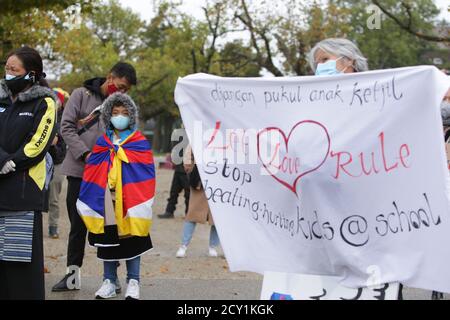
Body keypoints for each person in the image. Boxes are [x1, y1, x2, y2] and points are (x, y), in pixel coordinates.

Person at [52, 62, 137, 292]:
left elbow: (129, 135)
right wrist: (86, 154)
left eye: (126, 90)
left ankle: (112, 279)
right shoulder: (81, 95)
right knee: (78, 226)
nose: (121, 93)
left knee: (111, 228)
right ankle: (72, 276)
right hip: (80, 173)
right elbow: (67, 127)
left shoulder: (121, 106)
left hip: (110, 177)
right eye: (120, 86)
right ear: (110, 77)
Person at [76, 93, 155, 300]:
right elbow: (93, 169)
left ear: (132, 116)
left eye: (124, 113)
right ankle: (109, 280)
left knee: (133, 239)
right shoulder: (103, 142)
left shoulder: (139, 142)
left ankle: (133, 281)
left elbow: (145, 172)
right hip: (106, 200)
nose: (119, 116)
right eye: (115, 112)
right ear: (108, 116)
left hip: (131, 200)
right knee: (107, 240)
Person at [0, 46, 57, 299]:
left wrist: (12, 163)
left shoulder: (44, 102)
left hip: (22, 192)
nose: (8, 73)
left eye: (14, 70)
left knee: (18, 263)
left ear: (31, 74)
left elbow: (38, 143)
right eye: (6, 68)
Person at [175, 144, 220, 258]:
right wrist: (189, 168)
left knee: (217, 218)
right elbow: (189, 152)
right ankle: (183, 246)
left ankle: (213, 246)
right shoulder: (199, 133)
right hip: (199, 179)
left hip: (220, 180)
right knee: (192, 214)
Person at [47, 88, 70, 239]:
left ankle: (53, 226)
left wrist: (56, 143)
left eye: (57, 99)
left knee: (54, 197)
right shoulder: (42, 114)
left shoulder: (66, 120)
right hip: (39, 161)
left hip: (57, 162)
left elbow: (67, 140)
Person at [158, 127, 190, 219]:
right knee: (173, 192)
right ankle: (169, 211)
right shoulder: (179, 133)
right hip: (178, 168)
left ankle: (189, 213)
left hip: (187, 170)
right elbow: (174, 149)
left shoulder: (193, 133)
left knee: (188, 194)